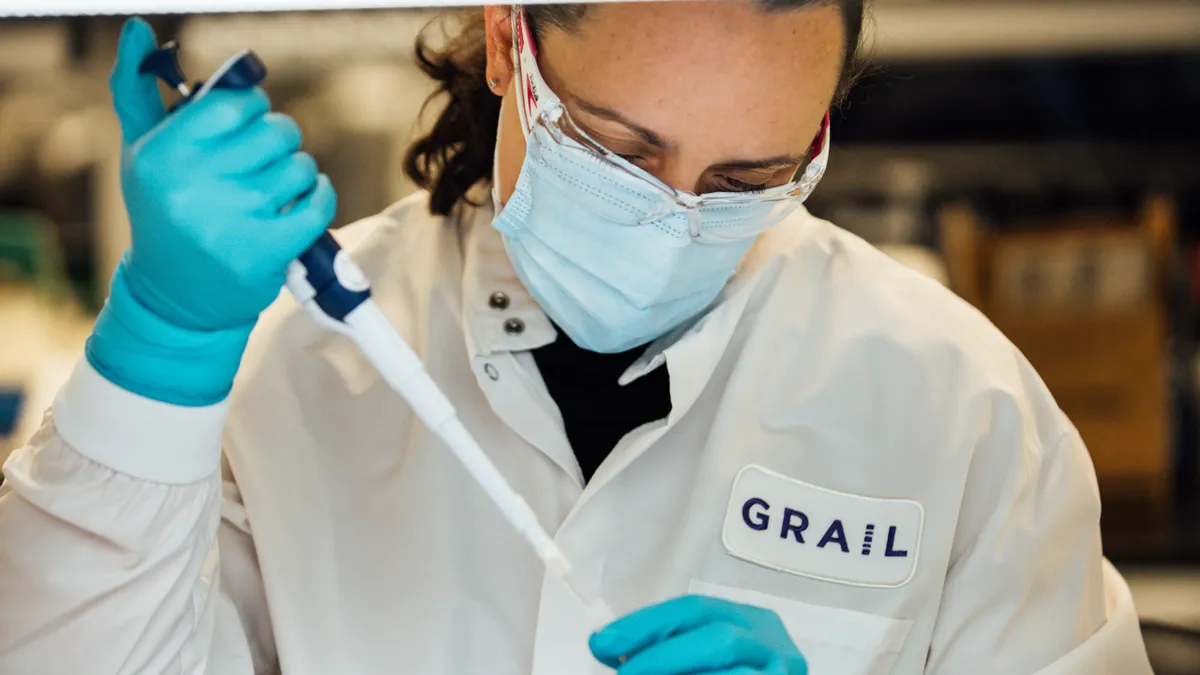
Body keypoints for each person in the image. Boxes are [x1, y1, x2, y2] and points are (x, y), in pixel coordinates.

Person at [0, 2, 1155, 674]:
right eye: (620, 149)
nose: (677, 215)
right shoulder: (290, 362)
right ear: (510, 46)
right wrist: (161, 343)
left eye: (751, 174)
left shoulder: (964, 410)